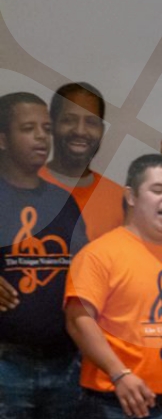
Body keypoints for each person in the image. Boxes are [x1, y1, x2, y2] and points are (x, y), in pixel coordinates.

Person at [64, 154, 162, 418]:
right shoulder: (99, 254)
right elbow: (78, 320)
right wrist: (119, 374)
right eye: (157, 190)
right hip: (115, 403)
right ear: (131, 196)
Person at [0, 92, 89, 418]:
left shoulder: (63, 201)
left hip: (65, 362)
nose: (41, 136)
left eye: (46, 128)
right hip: (6, 364)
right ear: (3, 139)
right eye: (28, 128)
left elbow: (88, 267)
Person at [39, 82, 125, 241]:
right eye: (69, 120)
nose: (80, 131)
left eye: (91, 122)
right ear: (51, 125)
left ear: (101, 130)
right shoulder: (17, 189)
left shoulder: (122, 202)